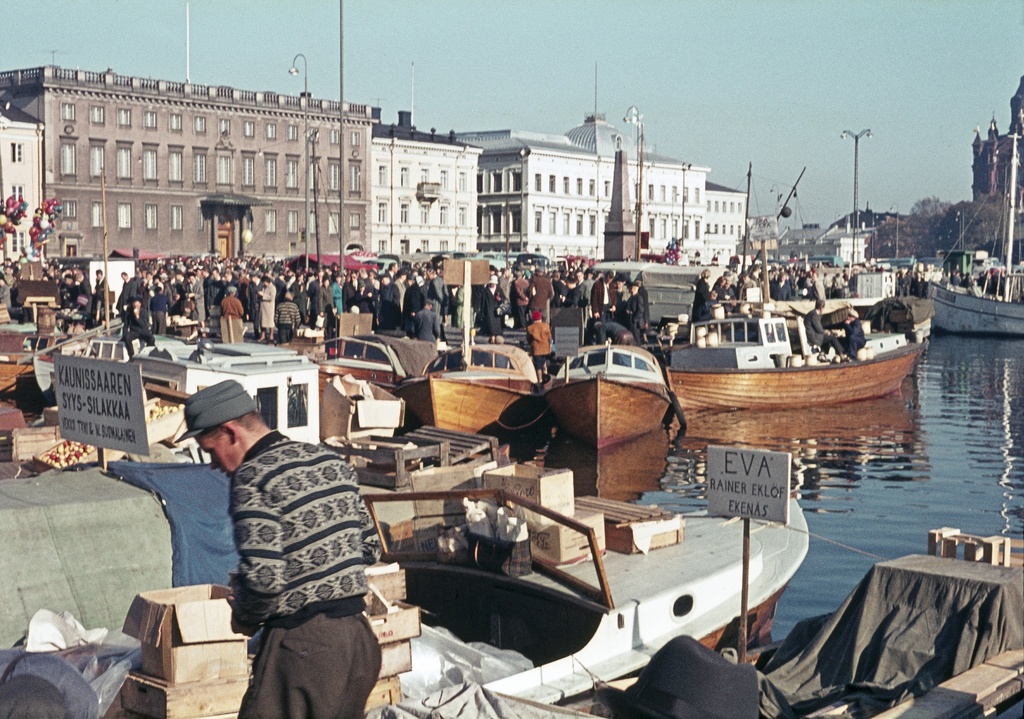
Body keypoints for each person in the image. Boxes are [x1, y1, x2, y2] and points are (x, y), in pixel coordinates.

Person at [177, 380, 382, 719]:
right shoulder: (328, 461)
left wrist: (243, 614)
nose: (213, 465)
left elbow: (266, 582)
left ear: (230, 433)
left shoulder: (254, 477)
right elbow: (370, 547)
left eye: (210, 451)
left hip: (303, 651)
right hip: (359, 644)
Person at [478, 274, 506, 343]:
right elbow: (482, 302)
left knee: (497, 328)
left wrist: (500, 299)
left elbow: (504, 299)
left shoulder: (499, 289)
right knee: (491, 327)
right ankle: (492, 339)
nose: (492, 284)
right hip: (488, 311)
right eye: (491, 283)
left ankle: (494, 339)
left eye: (493, 283)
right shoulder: (485, 290)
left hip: (497, 312)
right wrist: (482, 312)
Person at [526, 310, 552, 381]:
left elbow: (528, 339)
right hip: (545, 349)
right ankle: (546, 375)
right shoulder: (546, 326)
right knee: (544, 362)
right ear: (540, 318)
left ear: (533, 319)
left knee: (538, 366)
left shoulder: (530, 328)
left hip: (536, 349)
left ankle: (540, 379)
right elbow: (549, 337)